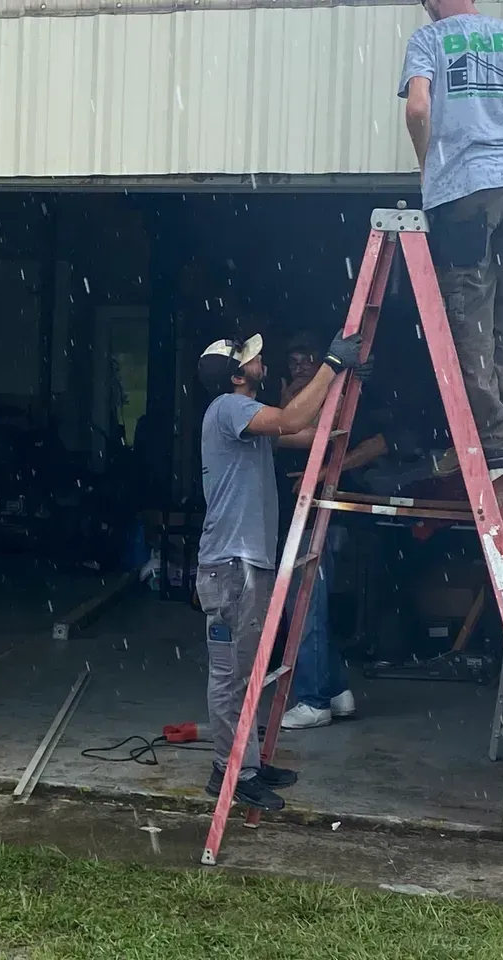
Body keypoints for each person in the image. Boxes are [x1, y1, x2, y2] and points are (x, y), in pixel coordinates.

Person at [196, 330, 368, 811]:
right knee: (230, 674)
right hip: (231, 567)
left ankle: (245, 761)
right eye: (251, 361)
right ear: (235, 376)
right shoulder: (229, 408)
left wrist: (345, 381)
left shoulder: (247, 422)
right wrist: (332, 362)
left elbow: (313, 433)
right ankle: (228, 770)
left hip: (245, 563)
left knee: (248, 669)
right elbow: (294, 416)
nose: (260, 363)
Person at [400, 0, 503, 476]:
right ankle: (499, 431)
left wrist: (427, 162)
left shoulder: (427, 40)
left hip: (463, 194)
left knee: (469, 311)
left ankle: (487, 438)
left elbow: (417, 108)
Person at [275, 332, 389, 730]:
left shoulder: (342, 400)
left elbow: (378, 442)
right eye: (294, 362)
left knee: (305, 609)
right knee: (311, 609)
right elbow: (287, 429)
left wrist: (326, 472)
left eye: (308, 358)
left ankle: (313, 699)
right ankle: (337, 689)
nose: (301, 367)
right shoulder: (290, 403)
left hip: (323, 521)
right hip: (299, 520)